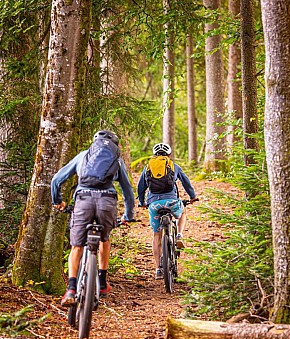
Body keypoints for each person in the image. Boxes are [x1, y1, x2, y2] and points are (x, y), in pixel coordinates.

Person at [51, 130, 135, 306]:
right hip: (107, 202)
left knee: (77, 246)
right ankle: (102, 282)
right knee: (105, 239)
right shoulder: (117, 160)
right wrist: (128, 215)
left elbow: (56, 180)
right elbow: (127, 191)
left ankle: (71, 289)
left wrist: (58, 201)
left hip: (83, 201)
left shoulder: (83, 156)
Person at [137, 142, 197, 280]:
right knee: (183, 211)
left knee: (156, 236)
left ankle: (158, 269)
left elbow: (141, 187)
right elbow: (186, 182)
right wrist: (192, 197)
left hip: (154, 205)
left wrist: (142, 203)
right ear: (169, 154)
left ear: (154, 154)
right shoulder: (173, 165)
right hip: (172, 202)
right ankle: (180, 235)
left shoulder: (148, 167)